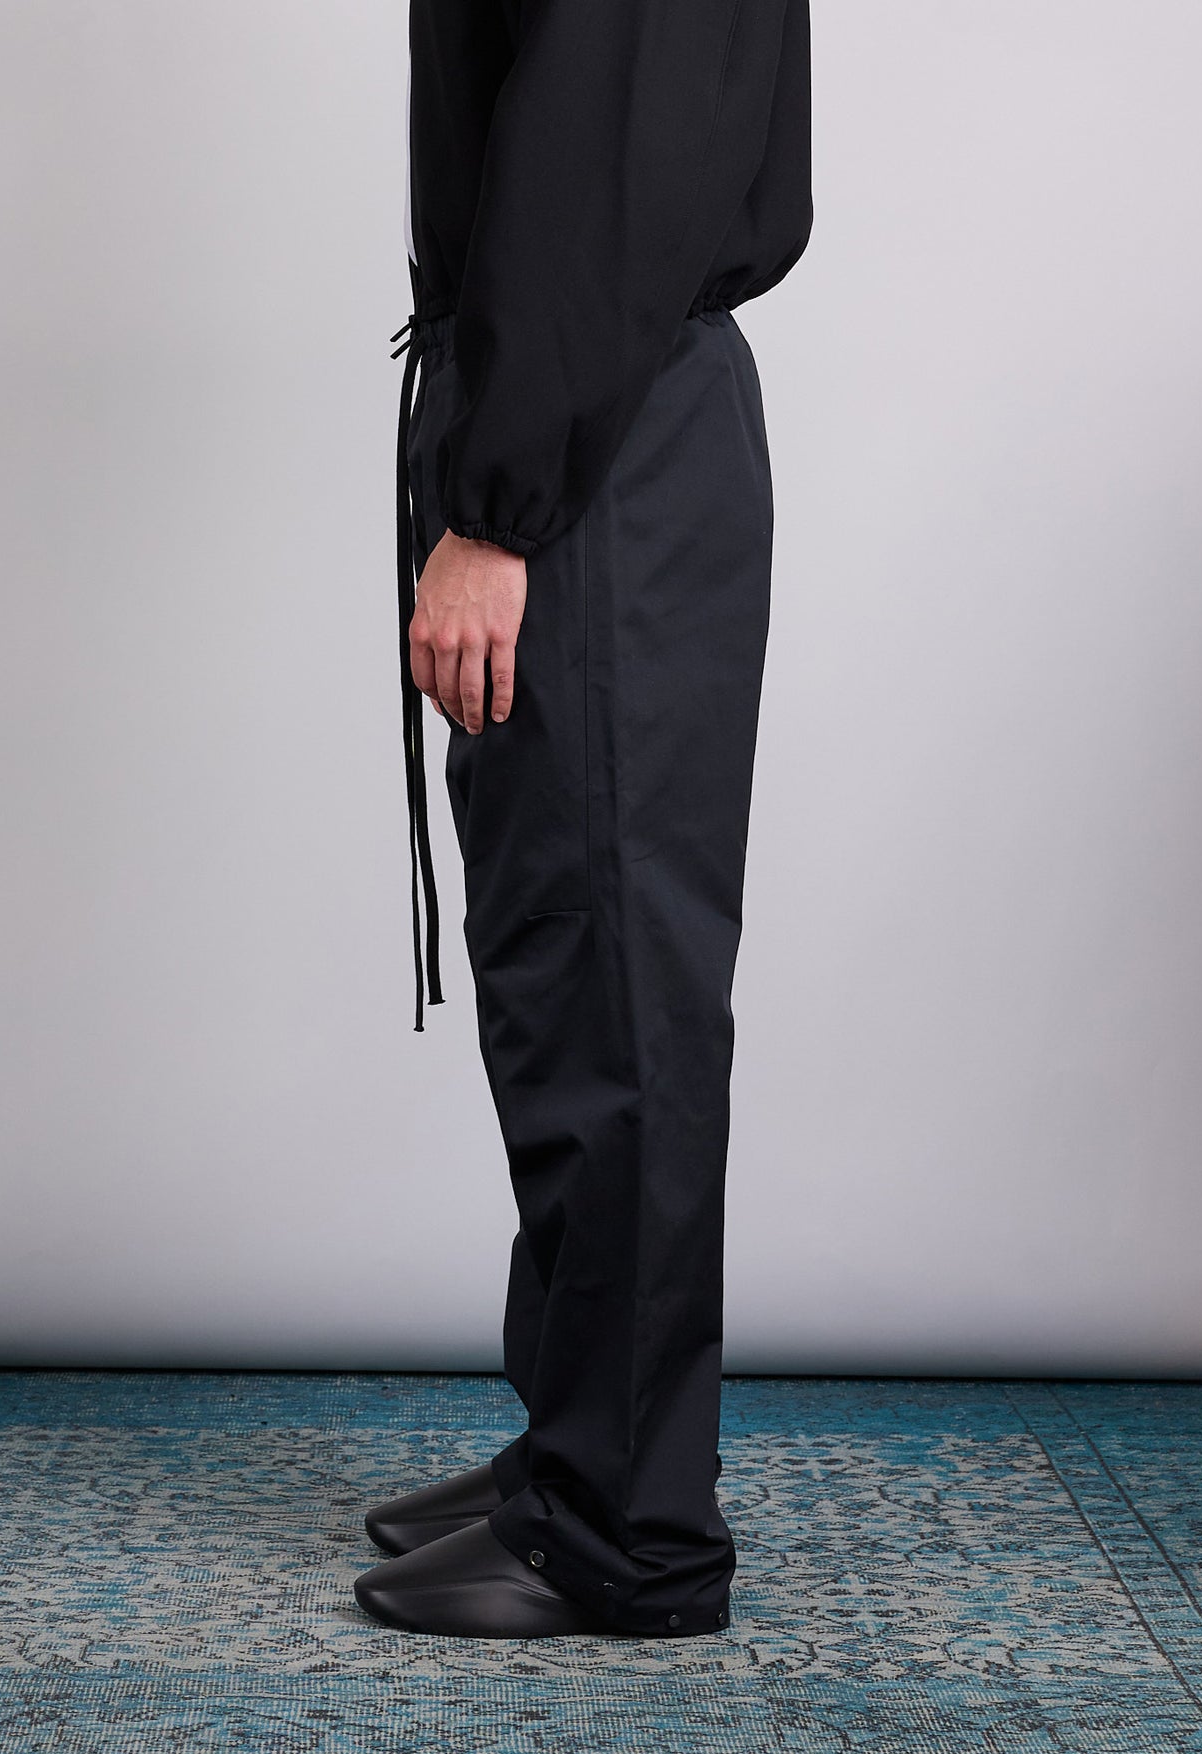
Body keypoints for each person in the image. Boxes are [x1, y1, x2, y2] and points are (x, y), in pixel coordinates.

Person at [354, 0, 814, 1639]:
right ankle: (578, 1449)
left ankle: (625, 1529)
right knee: (562, 973)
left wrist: (500, 512)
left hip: (598, 442)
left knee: (617, 995)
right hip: (578, 415)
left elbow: (607, 161)